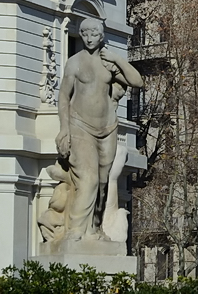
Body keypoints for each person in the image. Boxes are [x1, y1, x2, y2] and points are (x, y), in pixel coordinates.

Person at [55, 18, 143, 240]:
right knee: (89, 179)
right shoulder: (74, 63)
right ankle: (75, 230)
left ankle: (95, 229)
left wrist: (116, 59)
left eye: (94, 33)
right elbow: (64, 97)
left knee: (103, 184)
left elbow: (137, 81)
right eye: (84, 33)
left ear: (101, 35)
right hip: (80, 126)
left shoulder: (108, 63)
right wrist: (64, 129)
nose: (89, 37)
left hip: (108, 128)